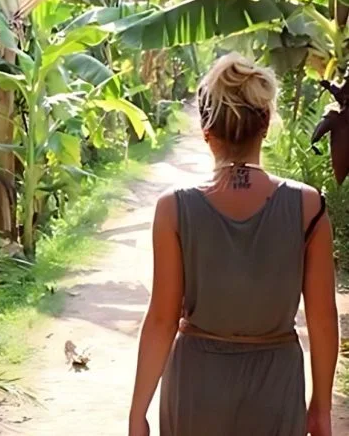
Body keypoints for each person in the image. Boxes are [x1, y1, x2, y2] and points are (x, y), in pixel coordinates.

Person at [128, 53, 339, 436]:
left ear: (207, 133)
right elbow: (323, 320)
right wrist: (321, 408)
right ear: (266, 126)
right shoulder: (309, 207)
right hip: (275, 385)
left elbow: (162, 318)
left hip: (196, 387)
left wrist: (137, 412)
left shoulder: (175, 208)